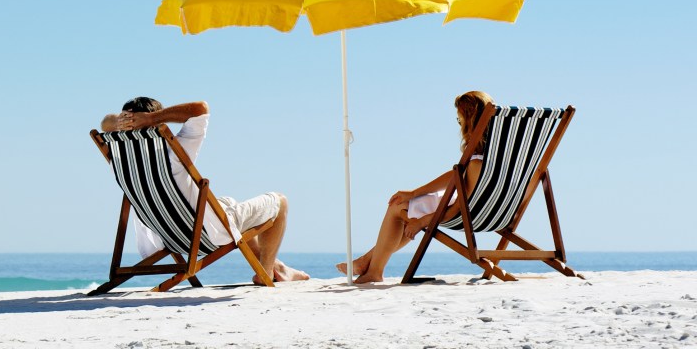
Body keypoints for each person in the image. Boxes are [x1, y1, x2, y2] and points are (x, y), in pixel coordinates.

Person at [100, 97, 309, 284]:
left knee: (227, 204)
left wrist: (124, 121)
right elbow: (201, 108)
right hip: (205, 236)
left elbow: (104, 123)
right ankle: (266, 271)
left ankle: (279, 268)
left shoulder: (118, 157)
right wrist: (152, 118)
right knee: (280, 201)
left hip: (167, 237)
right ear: (157, 123)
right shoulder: (175, 150)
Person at [338, 90, 495, 284]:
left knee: (397, 208)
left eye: (459, 119)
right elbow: (456, 175)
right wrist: (414, 193)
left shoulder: (476, 165)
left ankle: (374, 271)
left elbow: (459, 209)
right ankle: (367, 262)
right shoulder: (494, 156)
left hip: (466, 212)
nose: (459, 124)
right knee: (406, 206)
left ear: (469, 119)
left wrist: (423, 221)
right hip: (491, 210)